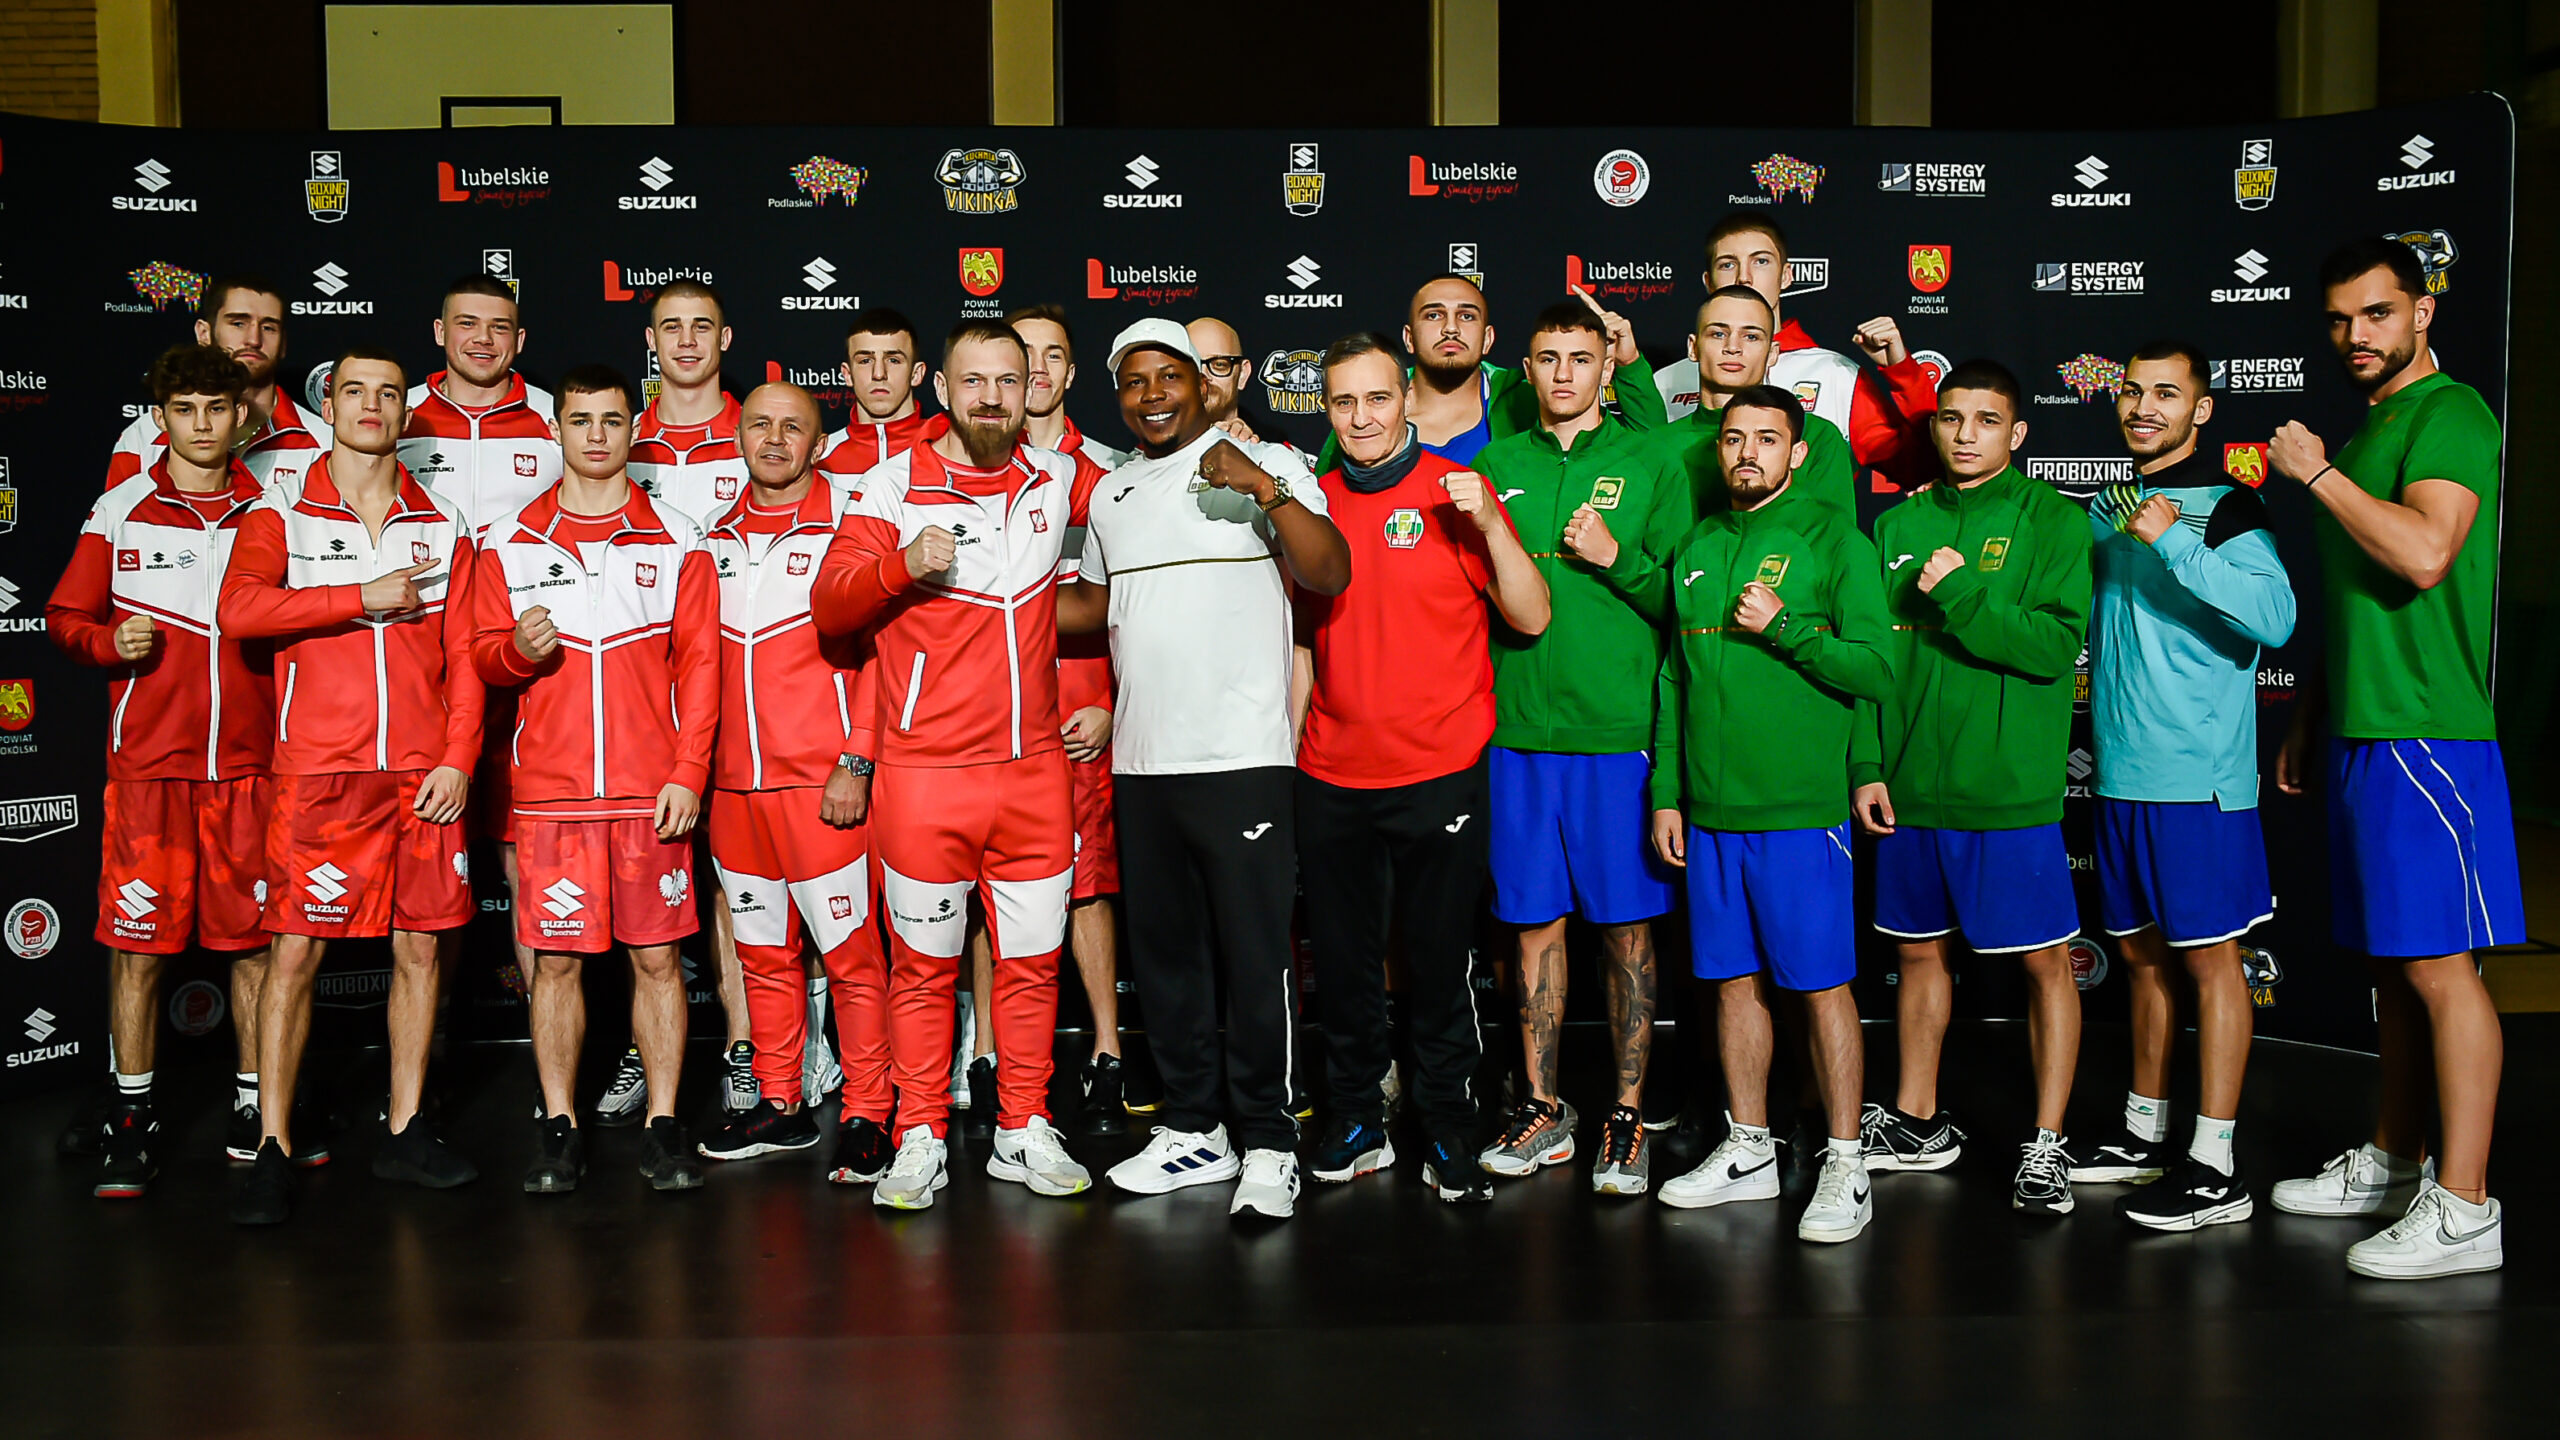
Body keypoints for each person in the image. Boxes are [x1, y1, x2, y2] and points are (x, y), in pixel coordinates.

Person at [2265, 237, 2522, 1279]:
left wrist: (2317, 474)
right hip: (2367, 727)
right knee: (2396, 966)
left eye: (2376, 313)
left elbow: (2422, 555)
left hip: (2429, 732)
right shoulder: (2375, 427)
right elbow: (2357, 595)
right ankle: (2396, 1160)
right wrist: (2311, 712)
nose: (2355, 335)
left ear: (2422, 311)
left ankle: (2465, 1207)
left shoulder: (2448, 413)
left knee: (2439, 968)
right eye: (2338, 319)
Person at [1056, 318, 1349, 1218]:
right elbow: (1090, 607)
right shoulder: (1111, 493)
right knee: (1168, 959)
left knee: (1255, 958)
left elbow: (1329, 571)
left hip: (1243, 759)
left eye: (1168, 377)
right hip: (1144, 763)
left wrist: (1263, 488)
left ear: (1202, 382)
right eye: (1134, 381)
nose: (1152, 396)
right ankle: (1194, 1130)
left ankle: (1268, 1138)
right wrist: (986, 598)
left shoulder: (1270, 463)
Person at [811, 320, 1091, 1211]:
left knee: (1033, 964)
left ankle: (1023, 1124)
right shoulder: (892, 485)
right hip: (926, 777)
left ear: (1032, 387)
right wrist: (900, 565)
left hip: (1034, 774)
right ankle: (920, 1132)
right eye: (974, 381)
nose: (991, 398)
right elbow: (830, 607)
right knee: (924, 970)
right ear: (941, 387)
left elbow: (1148, 490)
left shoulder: (1056, 477)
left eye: (1008, 381)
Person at [216, 347, 484, 1225]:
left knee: (421, 950)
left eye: (389, 393)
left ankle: (405, 1129)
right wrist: (356, 596)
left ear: (408, 411)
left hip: (420, 773)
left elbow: (464, 656)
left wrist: (458, 757)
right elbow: (239, 611)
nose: (372, 405)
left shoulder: (441, 519)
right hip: (321, 772)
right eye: (355, 392)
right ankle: (272, 1144)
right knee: (294, 954)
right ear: (328, 407)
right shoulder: (280, 508)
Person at [1297, 331, 1550, 1204]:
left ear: (1406, 397)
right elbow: (1301, 643)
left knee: (1441, 965)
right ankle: (1357, 1118)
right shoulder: (1315, 500)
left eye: (1377, 398)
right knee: (1345, 965)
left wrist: (1490, 523)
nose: (1362, 418)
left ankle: (1448, 1121)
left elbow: (1531, 615)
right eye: (1344, 402)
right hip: (1332, 774)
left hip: (1440, 770)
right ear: (1326, 410)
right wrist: (1293, 756)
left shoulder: (1456, 489)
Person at [1647, 386, 1890, 1242]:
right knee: (1732, 982)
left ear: (1798, 452)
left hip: (1799, 812)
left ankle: (1846, 1161)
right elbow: (1674, 681)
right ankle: (1749, 1146)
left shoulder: (1836, 540)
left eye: (1766, 439)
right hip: (1713, 815)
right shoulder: (1699, 544)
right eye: (1733, 438)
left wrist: (1787, 628)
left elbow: (1878, 670)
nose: (1747, 452)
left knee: (1821, 987)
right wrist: (1669, 793)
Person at [470, 363, 717, 1199]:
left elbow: (702, 669)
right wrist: (516, 652)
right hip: (552, 797)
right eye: (581, 421)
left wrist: (688, 772)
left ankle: (664, 1124)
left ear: (633, 429)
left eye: (613, 420)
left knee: (659, 962)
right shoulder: (508, 540)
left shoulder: (678, 536)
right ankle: (559, 1124)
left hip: (651, 795)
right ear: (557, 431)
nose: (598, 436)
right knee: (555, 969)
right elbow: (480, 660)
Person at [1854, 358, 2092, 1215]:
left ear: (2017, 433)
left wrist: (1958, 592)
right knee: (1918, 954)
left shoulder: (2055, 521)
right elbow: (1873, 660)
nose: (1965, 434)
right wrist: (1868, 764)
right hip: (1914, 786)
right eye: (1952, 418)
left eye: (1986, 421)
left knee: (2044, 965)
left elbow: (2053, 648)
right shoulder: (1896, 523)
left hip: (2007, 790)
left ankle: (2048, 1142)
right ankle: (1918, 1121)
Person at [2072, 341, 2295, 1231]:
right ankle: (2144, 1134)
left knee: (2210, 963)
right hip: (2119, 776)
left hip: (2198, 786)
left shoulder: (2230, 507)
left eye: (2166, 394)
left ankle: (2215, 1165)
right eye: (2133, 391)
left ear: (2200, 410)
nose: (2144, 407)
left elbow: (2275, 618)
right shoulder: (2106, 505)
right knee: (2138, 959)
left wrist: (2171, 540)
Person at [1465, 302, 1684, 1195]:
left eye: (1580, 358)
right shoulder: (1495, 467)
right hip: (1516, 736)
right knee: (1532, 926)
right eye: (1548, 358)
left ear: (1607, 367)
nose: (1563, 373)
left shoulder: (1653, 460)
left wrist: (1612, 557)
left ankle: (1626, 1114)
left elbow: (1684, 601)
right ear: (1525, 369)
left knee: (1626, 930)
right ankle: (1544, 1106)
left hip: (1616, 738)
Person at [48, 345, 276, 1197]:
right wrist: (109, 641)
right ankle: (132, 1116)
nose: (203, 425)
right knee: (137, 952)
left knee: (253, 948)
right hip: (149, 770)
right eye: (185, 409)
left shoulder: (273, 509)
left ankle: (254, 1104)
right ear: (162, 418)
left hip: (251, 769)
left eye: (218, 408)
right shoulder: (121, 508)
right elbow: (64, 616)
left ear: (242, 417)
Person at [690, 383, 898, 1184]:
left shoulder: (850, 524)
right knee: (763, 956)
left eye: (793, 428)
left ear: (819, 443)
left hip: (822, 787)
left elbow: (881, 652)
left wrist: (857, 759)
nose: (774, 440)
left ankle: (870, 1110)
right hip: (734, 791)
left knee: (851, 958)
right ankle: (780, 1102)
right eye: (760, 425)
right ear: (738, 434)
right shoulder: (712, 536)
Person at [397, 271, 565, 1115]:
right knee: (429, 894)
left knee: (529, 877)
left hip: (527, 682)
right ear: (439, 331)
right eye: (466, 324)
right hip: (417, 688)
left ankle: (550, 1082)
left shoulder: (554, 421)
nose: (482, 341)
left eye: (499, 328)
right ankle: (420, 1086)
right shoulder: (396, 417)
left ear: (520, 340)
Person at [622, 279, 758, 1117]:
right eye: (669, 327)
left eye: (701, 327)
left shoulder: (758, 433)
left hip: (745, 697)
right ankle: (644, 1051)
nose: (685, 342)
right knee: (644, 888)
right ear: (650, 340)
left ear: (725, 338)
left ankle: (748, 1048)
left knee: (735, 885)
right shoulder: (618, 439)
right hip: (642, 706)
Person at [1652, 215, 1936, 487]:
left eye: (1761, 261)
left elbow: (1920, 469)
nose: (1744, 277)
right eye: (1727, 264)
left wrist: (1903, 372)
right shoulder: (1666, 382)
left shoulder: (1835, 374)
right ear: (1708, 281)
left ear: (1786, 276)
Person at [1314, 279, 1665, 471]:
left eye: (1467, 316)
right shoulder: (1371, 405)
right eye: (1434, 315)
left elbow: (1647, 444)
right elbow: (1329, 496)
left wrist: (1628, 362)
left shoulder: (1524, 398)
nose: (1451, 328)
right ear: (1409, 337)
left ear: (1488, 339)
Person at [1650, 287, 1857, 523]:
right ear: (1693, 348)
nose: (1732, 347)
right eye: (1718, 334)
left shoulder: (1816, 436)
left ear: (1772, 353)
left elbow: (1834, 537)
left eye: (1751, 337)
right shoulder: (1655, 446)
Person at [104, 275, 323, 493]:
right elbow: (118, 512)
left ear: (283, 343)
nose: (254, 340)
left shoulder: (322, 442)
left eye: (268, 328)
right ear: (204, 333)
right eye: (238, 324)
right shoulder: (143, 437)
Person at [816, 307, 933, 481]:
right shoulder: (819, 458)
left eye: (893, 360)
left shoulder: (950, 449)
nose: (878, 374)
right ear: (847, 374)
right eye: (865, 361)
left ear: (916, 374)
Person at [1185, 316, 1293, 446]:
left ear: (1243, 374)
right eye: (1192, 365)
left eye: (1219, 364)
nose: (1204, 376)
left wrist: (1251, 452)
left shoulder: (1274, 448)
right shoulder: (1161, 444)